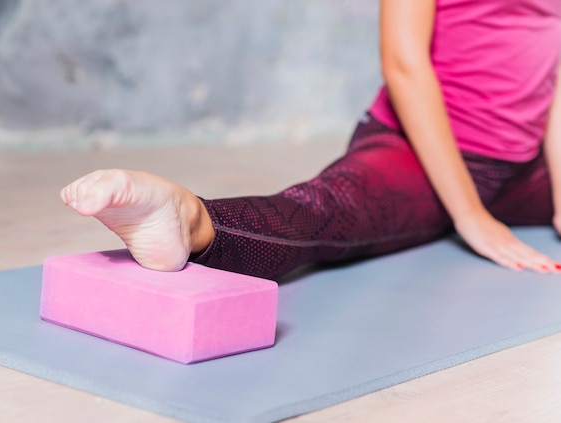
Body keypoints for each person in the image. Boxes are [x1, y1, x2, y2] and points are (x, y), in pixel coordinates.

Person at [60, 0, 561, 280]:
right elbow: (404, 65)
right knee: (328, 210)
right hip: (420, 152)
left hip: (520, 164)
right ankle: (187, 217)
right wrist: (471, 216)